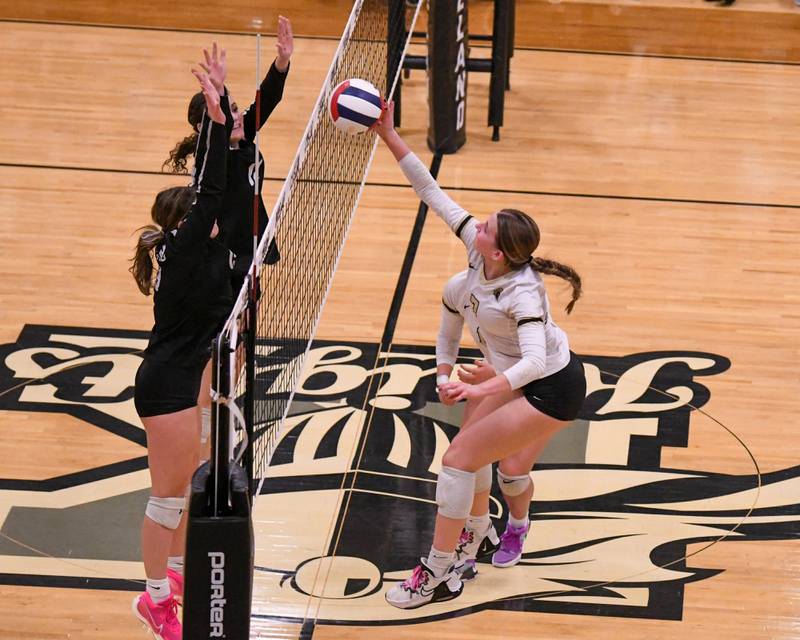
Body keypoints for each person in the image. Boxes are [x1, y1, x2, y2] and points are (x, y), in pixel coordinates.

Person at [373, 102, 587, 609]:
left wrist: (479, 386)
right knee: (468, 458)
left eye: (486, 225)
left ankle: (438, 572)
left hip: (553, 387)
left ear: (498, 252)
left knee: (464, 460)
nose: (477, 224)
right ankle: (474, 535)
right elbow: (430, 191)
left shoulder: (522, 294)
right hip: (513, 375)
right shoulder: (478, 252)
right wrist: (388, 132)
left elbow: (534, 363)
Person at [129, 65, 232, 639]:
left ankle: (174, 578)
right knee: (167, 498)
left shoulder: (184, 252)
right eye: (199, 213)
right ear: (186, 224)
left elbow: (214, 194)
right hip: (166, 386)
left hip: (180, 376)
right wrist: (215, 124)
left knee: (187, 490)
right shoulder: (188, 248)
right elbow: (213, 188)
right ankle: (154, 601)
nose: (209, 215)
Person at [163, 18, 293, 459]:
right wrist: (216, 108)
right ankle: (205, 425)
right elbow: (214, 162)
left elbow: (266, 100)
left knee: (240, 338)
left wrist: (281, 61)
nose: (236, 113)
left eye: (235, 108)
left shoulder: (244, 136)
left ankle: (223, 406)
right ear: (208, 128)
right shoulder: (210, 160)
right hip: (224, 258)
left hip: (250, 252)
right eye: (226, 111)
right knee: (218, 341)